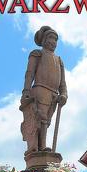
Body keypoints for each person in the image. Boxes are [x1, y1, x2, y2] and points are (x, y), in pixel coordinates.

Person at [20, 26, 67, 155]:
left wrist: (63, 94)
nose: (53, 42)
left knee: (46, 122)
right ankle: (38, 148)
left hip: (53, 95)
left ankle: (42, 147)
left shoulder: (59, 60)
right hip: (40, 90)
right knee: (39, 120)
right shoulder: (37, 53)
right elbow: (29, 73)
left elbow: (62, 83)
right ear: (44, 39)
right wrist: (26, 90)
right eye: (51, 38)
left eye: (56, 39)